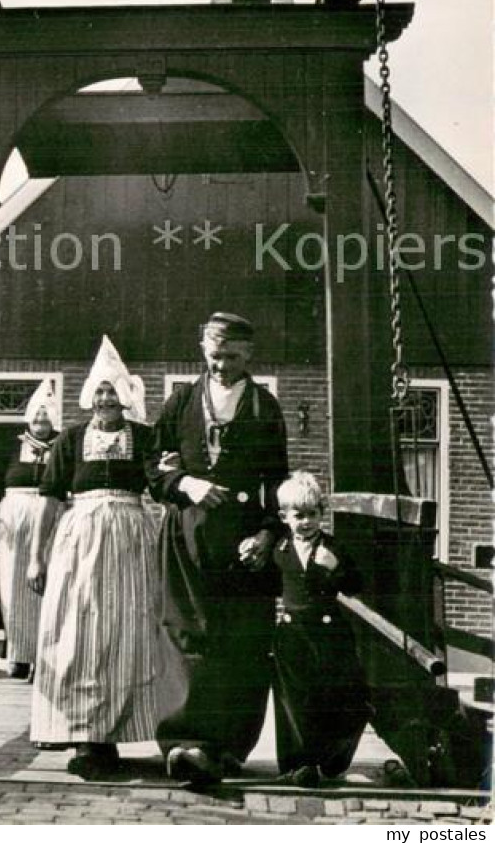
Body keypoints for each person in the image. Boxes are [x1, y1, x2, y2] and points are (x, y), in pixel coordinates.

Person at [147, 311, 289, 786]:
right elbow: (153, 468)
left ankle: (229, 748)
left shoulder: (265, 408)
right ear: (201, 350)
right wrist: (186, 483)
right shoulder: (181, 401)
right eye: (214, 356)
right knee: (187, 634)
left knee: (244, 643)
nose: (221, 365)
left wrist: (269, 534)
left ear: (249, 355)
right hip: (187, 536)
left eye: (231, 357)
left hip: (245, 541)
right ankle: (186, 744)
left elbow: (277, 483)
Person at [27, 336, 158, 779]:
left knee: (123, 632)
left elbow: (165, 487)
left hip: (130, 541)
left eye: (113, 391)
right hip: (79, 542)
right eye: (99, 391)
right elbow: (49, 501)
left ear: (126, 395)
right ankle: (83, 735)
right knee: (78, 631)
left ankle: (115, 735)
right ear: (91, 395)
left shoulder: (144, 438)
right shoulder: (70, 439)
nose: (106, 398)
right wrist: (36, 558)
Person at [272, 471, 371, 786]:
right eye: (298, 516)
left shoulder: (333, 548)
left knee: (335, 698)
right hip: (291, 633)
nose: (306, 522)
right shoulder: (280, 549)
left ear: (321, 514)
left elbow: (356, 584)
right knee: (293, 700)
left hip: (329, 634)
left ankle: (331, 760)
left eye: (312, 515)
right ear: (284, 517)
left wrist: (335, 568)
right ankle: (299, 764)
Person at [0, 379, 60, 680]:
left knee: (46, 583)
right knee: (13, 586)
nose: (41, 421)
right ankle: (18, 655)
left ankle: (45, 655)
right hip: (12, 523)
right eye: (37, 415)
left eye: (47, 415)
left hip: (49, 520)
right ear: (29, 417)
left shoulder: (62, 447)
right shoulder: (8, 446)